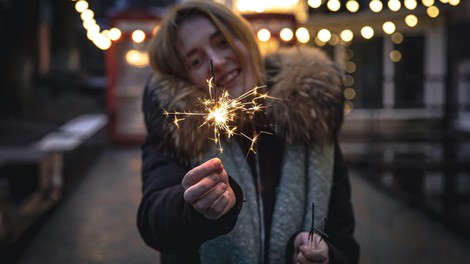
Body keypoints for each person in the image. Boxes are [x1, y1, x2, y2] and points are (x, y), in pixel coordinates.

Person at [137, 1, 360, 263]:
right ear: (184, 79)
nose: (217, 62)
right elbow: (155, 223)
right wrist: (191, 207)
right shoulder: (178, 132)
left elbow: (344, 241)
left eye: (222, 43)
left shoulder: (311, 120)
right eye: (196, 60)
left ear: (245, 39)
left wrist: (327, 256)